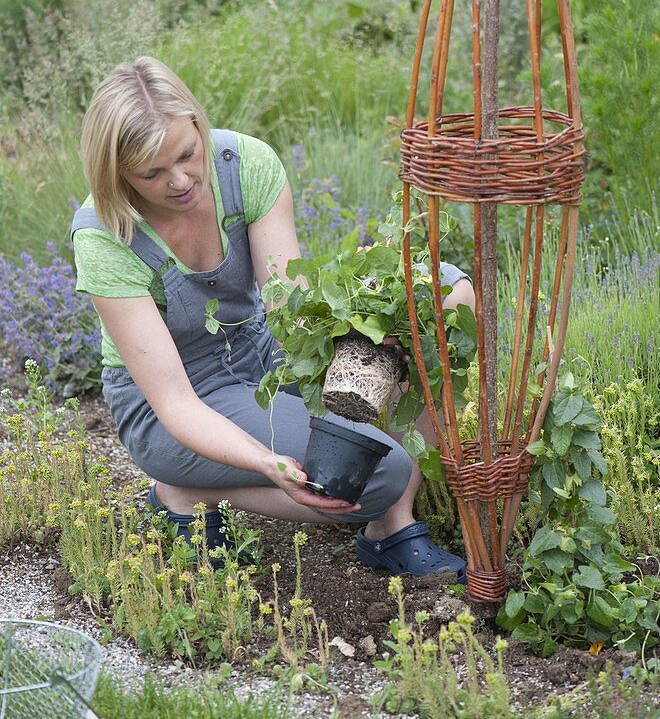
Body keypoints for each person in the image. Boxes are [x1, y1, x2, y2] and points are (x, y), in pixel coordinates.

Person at [72, 57, 473, 580]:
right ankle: (185, 489)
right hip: (177, 401)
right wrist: (266, 465)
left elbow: (291, 315)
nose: (180, 180)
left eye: (187, 155)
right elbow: (174, 401)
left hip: (262, 354)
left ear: (197, 124)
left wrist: (366, 332)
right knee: (380, 473)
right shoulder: (106, 235)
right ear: (118, 173)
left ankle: (392, 529)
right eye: (152, 173)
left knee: (442, 293)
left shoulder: (245, 166)